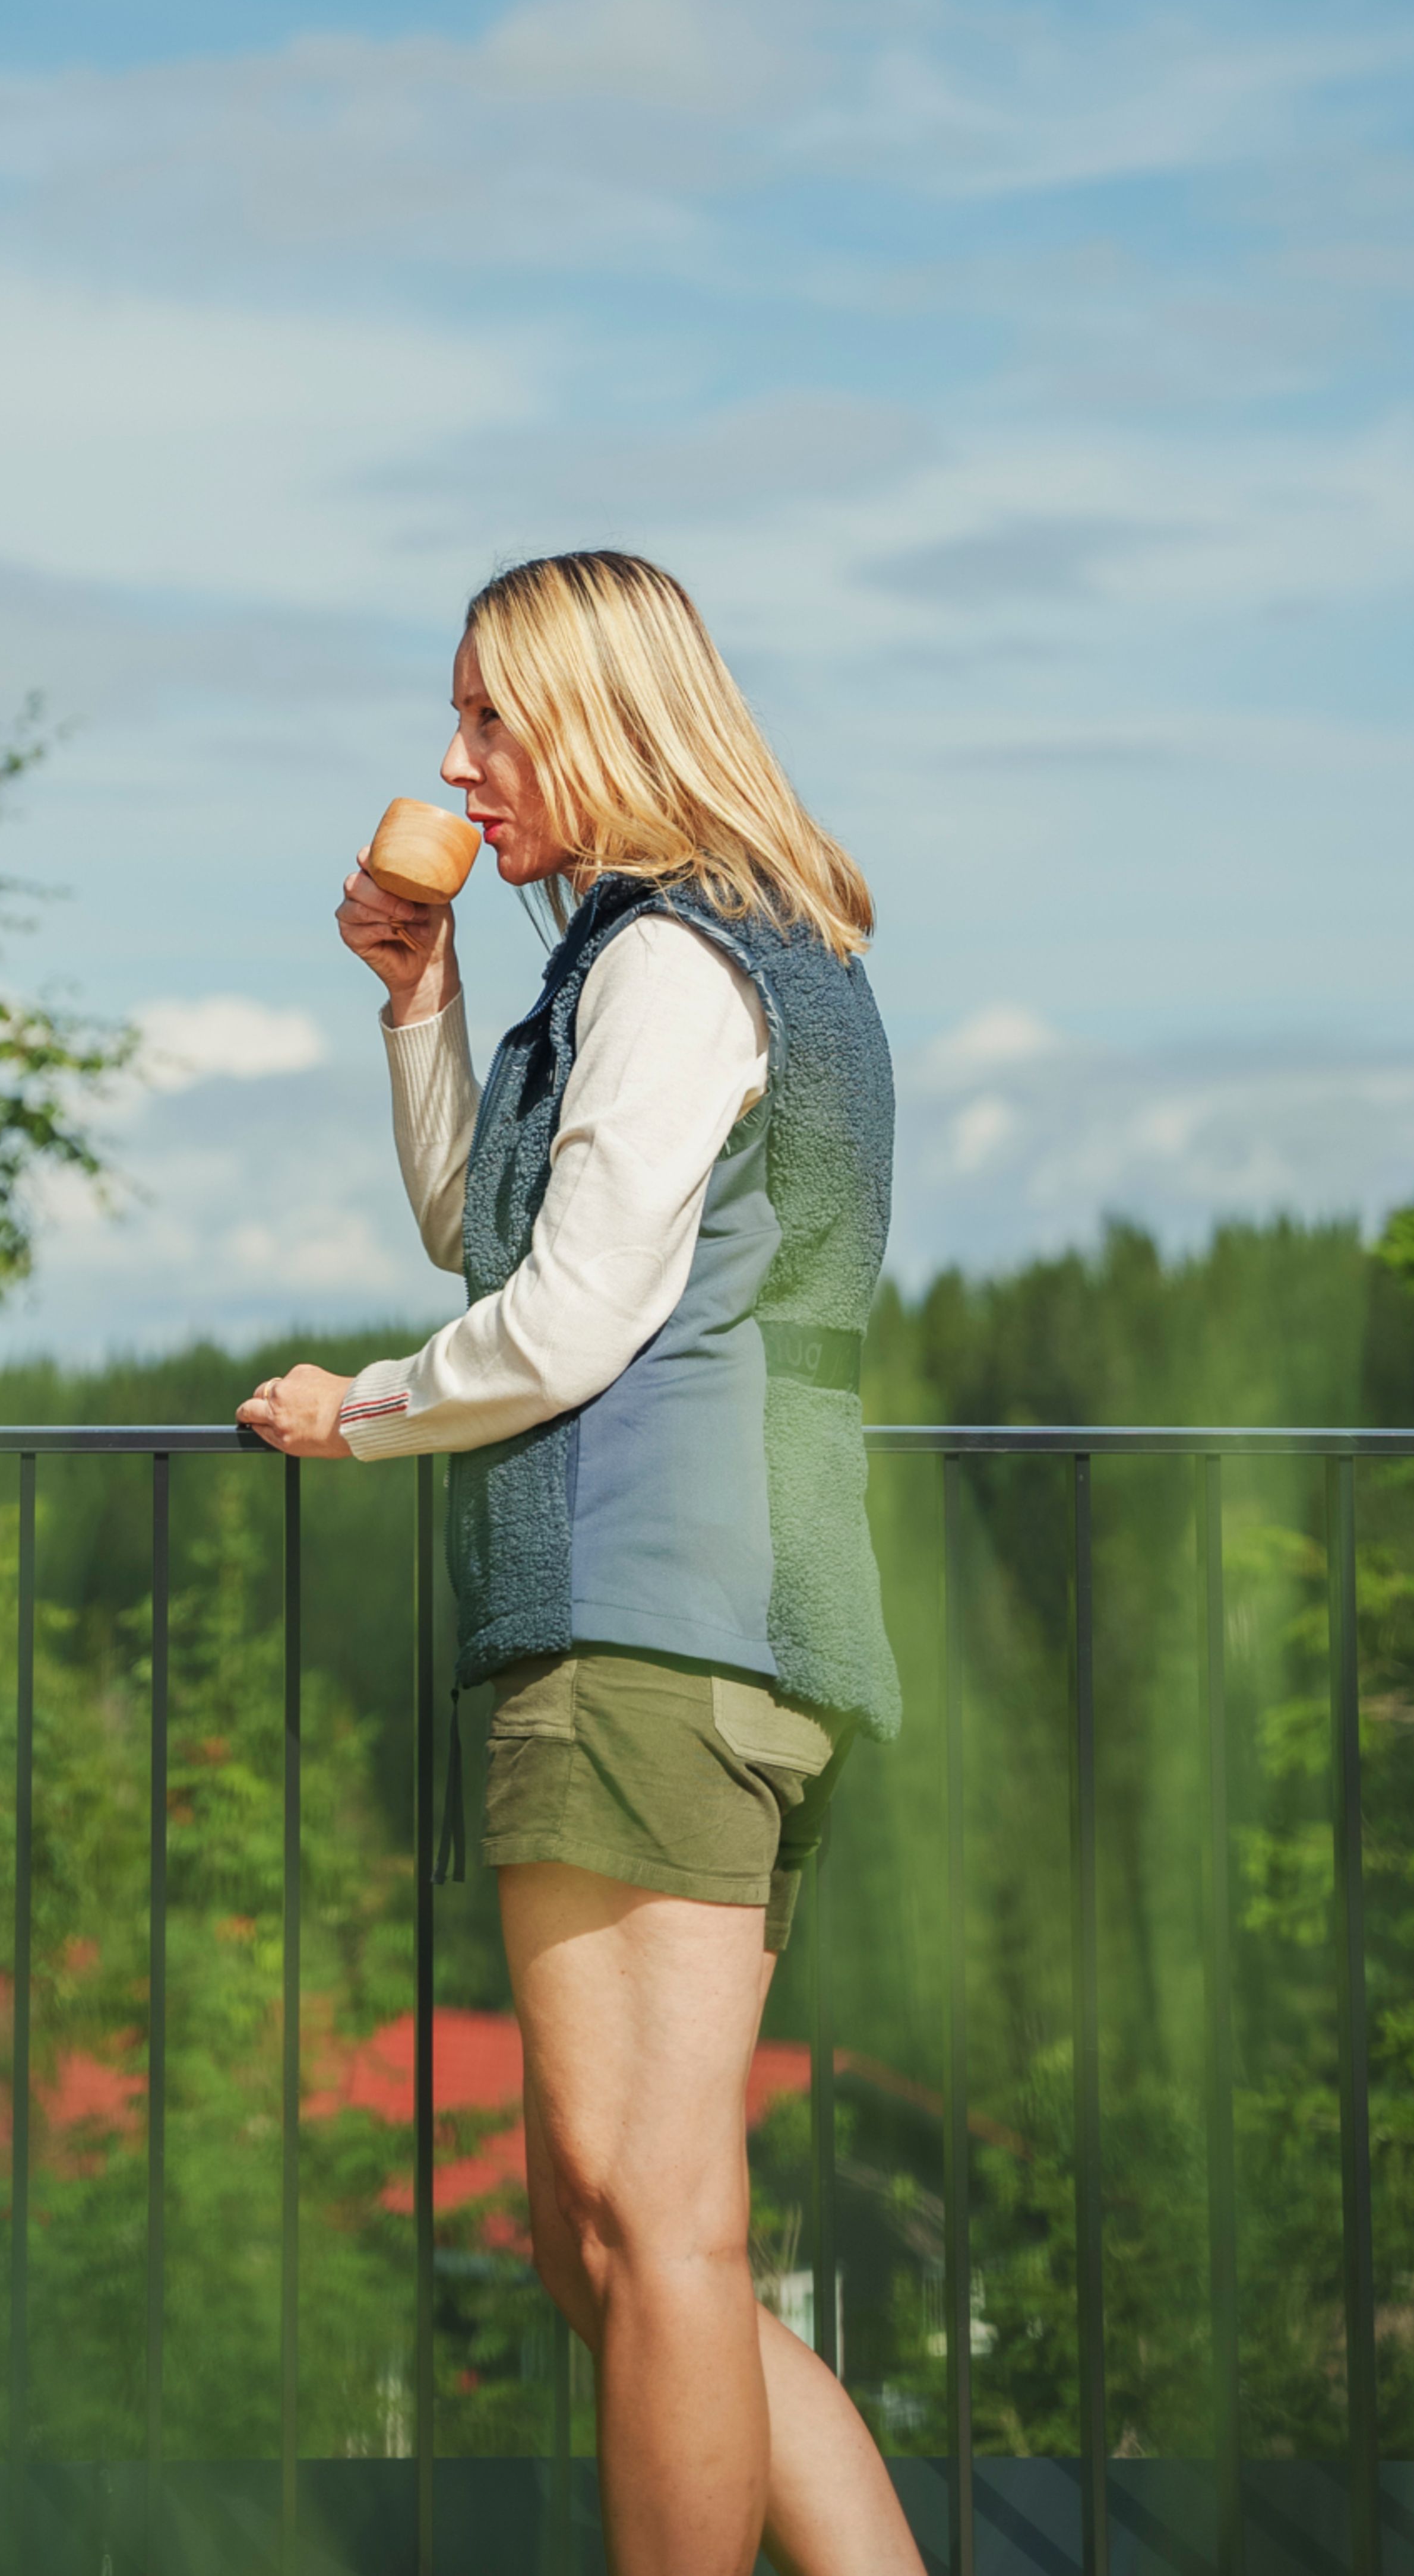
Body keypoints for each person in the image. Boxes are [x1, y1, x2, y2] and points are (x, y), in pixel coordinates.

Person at [239, 550, 919, 2576]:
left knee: (654, 2227)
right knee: (609, 2238)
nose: (457, 763)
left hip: (649, 1614)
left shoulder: (670, 966)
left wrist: (358, 1412)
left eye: (492, 719)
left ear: (606, 721)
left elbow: (570, 1323)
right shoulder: (716, 952)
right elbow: (499, 1232)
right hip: (741, 1624)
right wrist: (422, 1004)